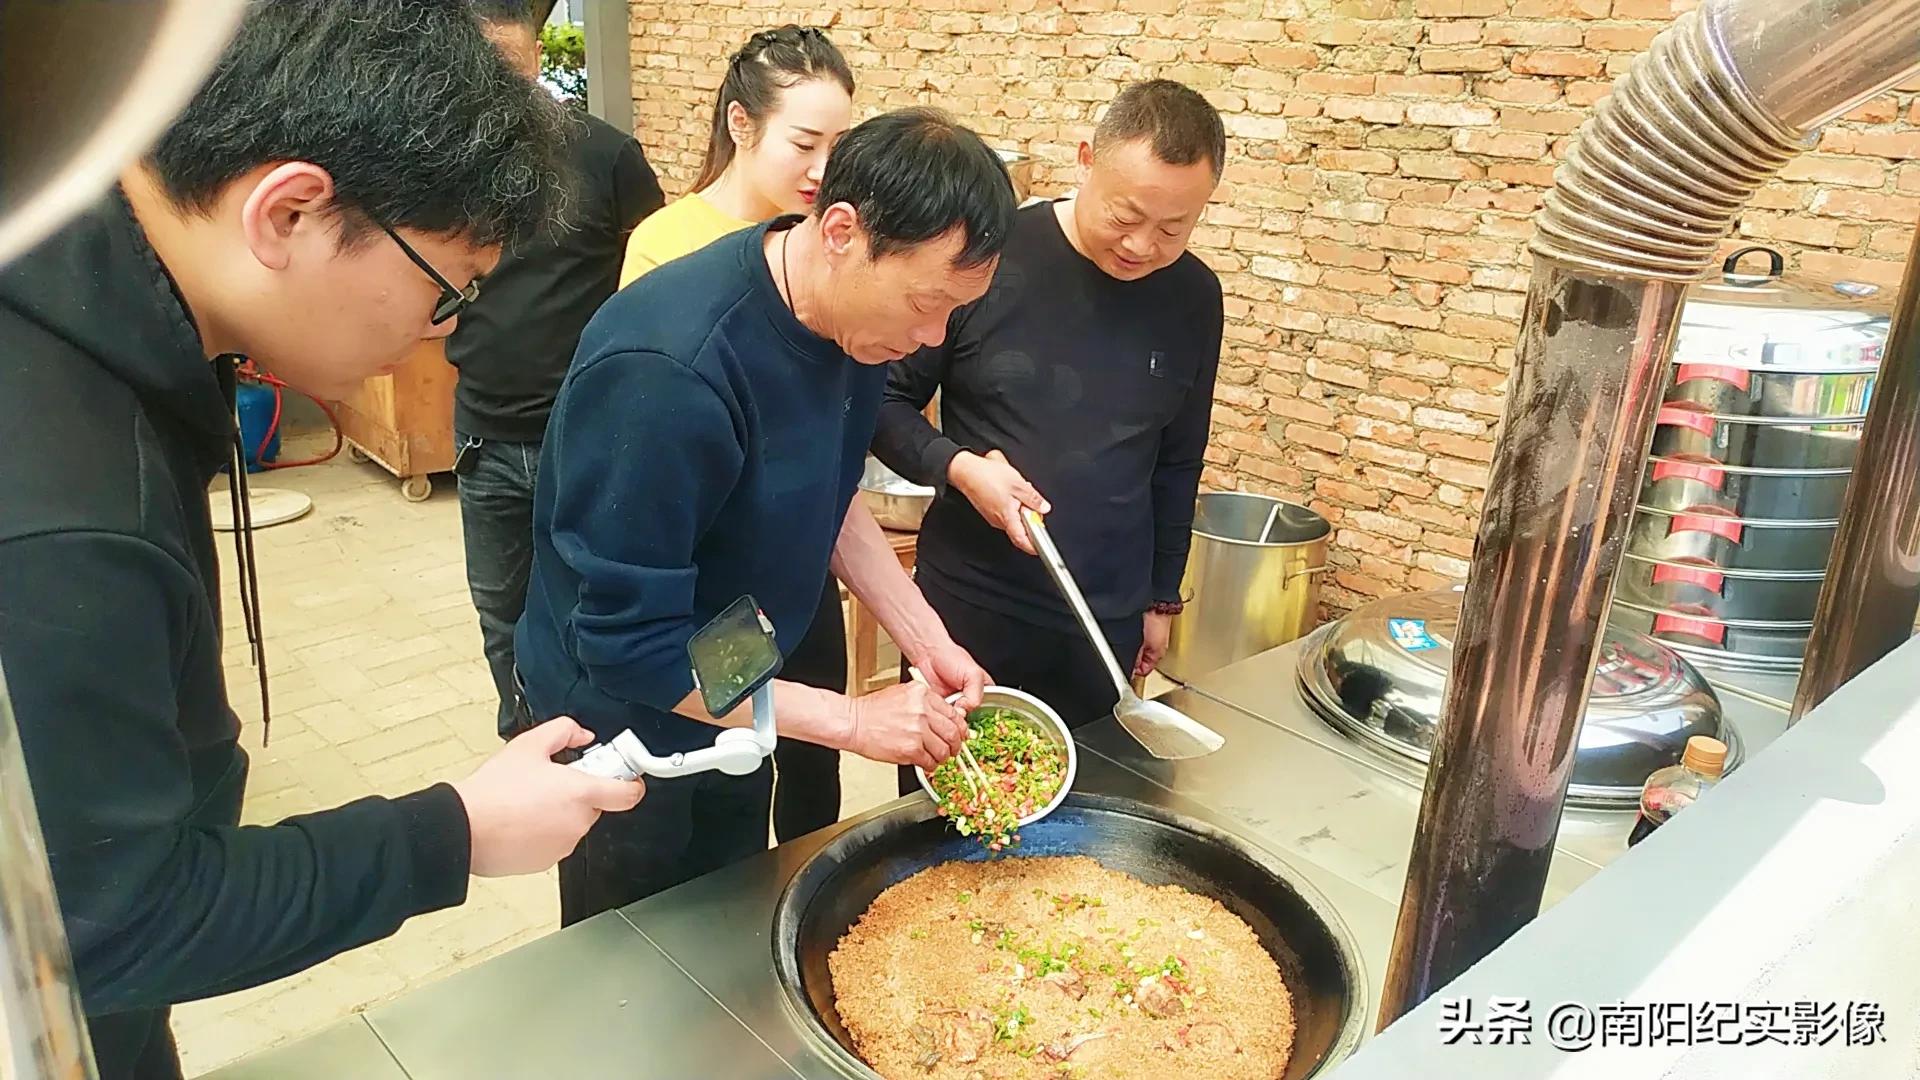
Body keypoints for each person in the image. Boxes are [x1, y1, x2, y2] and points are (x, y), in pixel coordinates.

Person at [0, 5, 645, 1076]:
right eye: (449, 292)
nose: (452, 330)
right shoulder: (66, 505)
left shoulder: (101, 297)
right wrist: (458, 832)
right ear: (290, 211)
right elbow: (105, 929)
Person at [515, 107, 1017, 924]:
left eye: (953, 314)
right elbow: (629, 647)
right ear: (842, 232)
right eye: (925, 303)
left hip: (740, 683)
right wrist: (852, 719)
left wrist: (926, 640)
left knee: (730, 911)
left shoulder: (852, 330)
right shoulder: (671, 369)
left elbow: (828, 494)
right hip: (626, 718)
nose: (931, 336)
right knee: (639, 952)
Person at [871, 79, 1226, 793]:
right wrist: (959, 466)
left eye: (1173, 228)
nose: (1142, 244)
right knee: (950, 817)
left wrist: (1161, 597)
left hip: (1105, 621)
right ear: (1086, 158)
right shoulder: (989, 258)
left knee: (1086, 821)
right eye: (1126, 214)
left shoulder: (1194, 296)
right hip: (971, 612)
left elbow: (1178, 460)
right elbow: (881, 402)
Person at [619, 25, 855, 846]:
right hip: (709, 590)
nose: (824, 168)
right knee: (721, 763)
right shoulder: (666, 249)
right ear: (741, 127)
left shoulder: (832, 241)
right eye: (804, 142)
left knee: (809, 755)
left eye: (839, 144)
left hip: (800, 563)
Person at [450, 0, 665, 740]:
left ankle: (598, 734)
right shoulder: (444, 160)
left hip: (583, 438)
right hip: (482, 433)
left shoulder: (608, 157)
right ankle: (527, 736)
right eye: (481, 73)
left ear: (539, 60)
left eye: (511, 70)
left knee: (587, 604)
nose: (499, 91)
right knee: (500, 611)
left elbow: (648, 290)